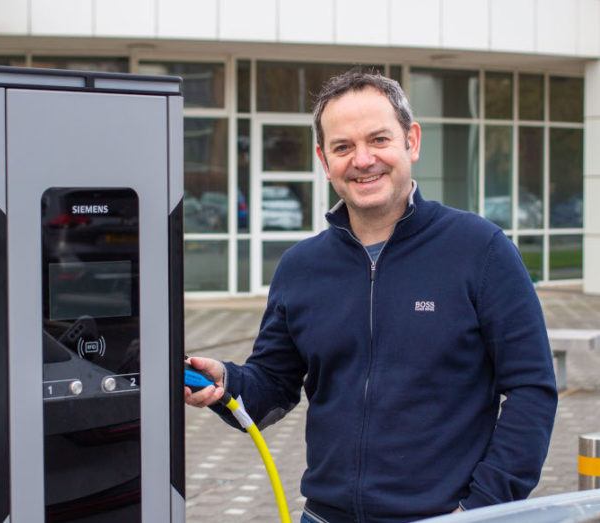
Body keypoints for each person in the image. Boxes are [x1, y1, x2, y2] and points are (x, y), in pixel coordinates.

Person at [185, 70, 557, 523]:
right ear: (325, 161)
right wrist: (226, 380)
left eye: (378, 139)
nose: (363, 160)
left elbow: (532, 390)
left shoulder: (480, 249)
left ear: (411, 142)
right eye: (343, 147)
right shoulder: (302, 267)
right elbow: (273, 388)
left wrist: (481, 510)